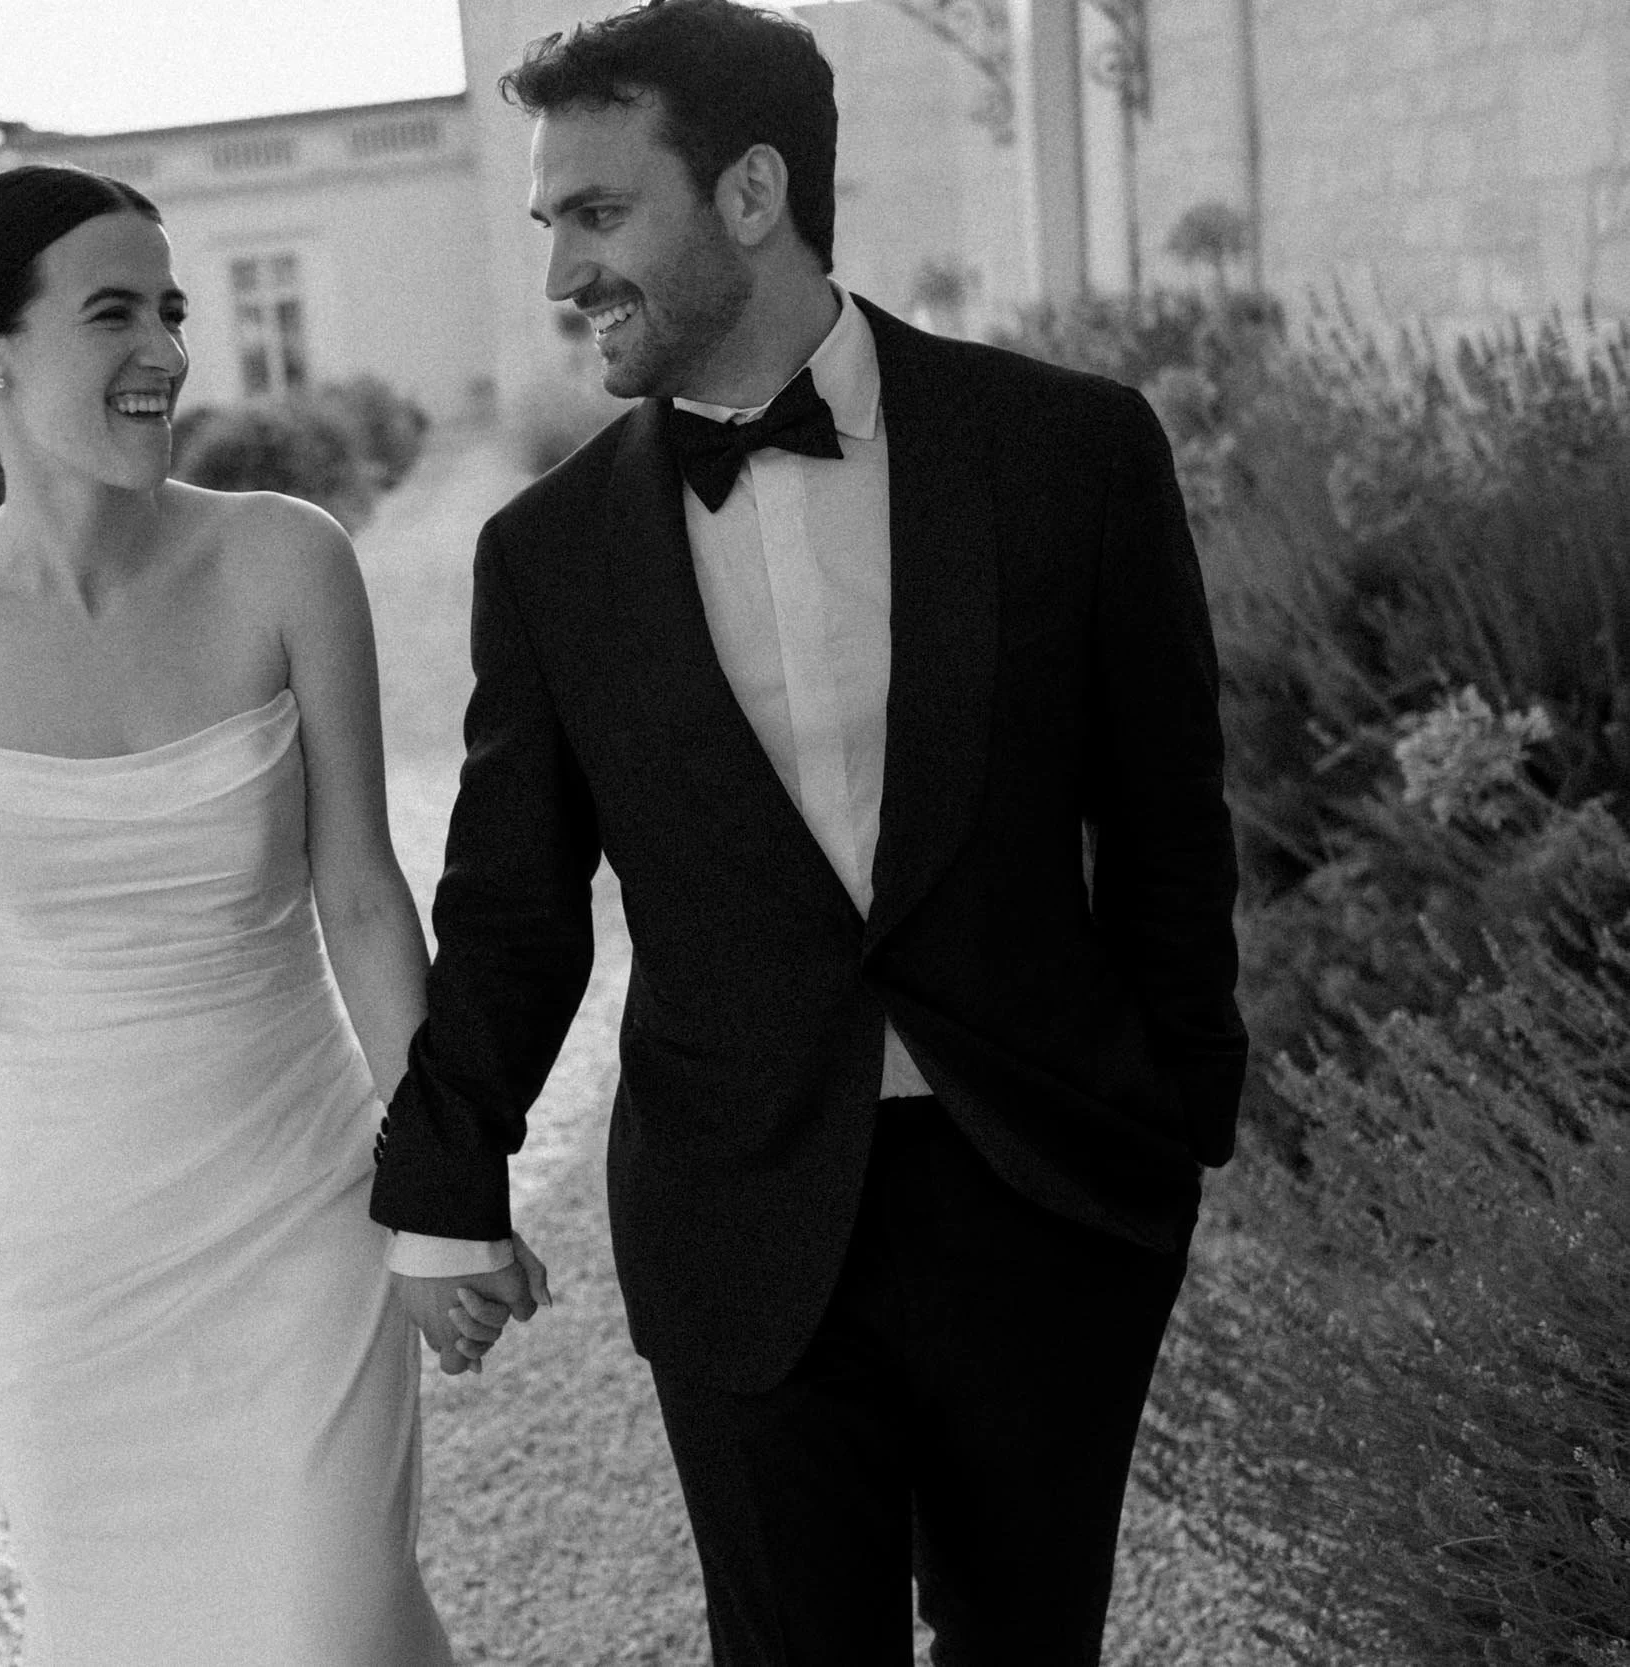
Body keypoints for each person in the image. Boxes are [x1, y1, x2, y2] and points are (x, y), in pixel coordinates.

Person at [368, 3, 1248, 1662]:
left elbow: (1166, 819)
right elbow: (511, 908)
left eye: (600, 212)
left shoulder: (1070, 452)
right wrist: (444, 1181)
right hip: (738, 1218)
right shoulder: (548, 560)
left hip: (1042, 1195)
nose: (562, 273)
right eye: (547, 222)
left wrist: (1177, 1110)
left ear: (754, 191)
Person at [0, 164, 544, 1667]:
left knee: (333, 1630)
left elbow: (360, 894)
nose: (166, 348)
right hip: (69, 1244)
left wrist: (448, 1183)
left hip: (301, 1198)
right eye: (114, 313)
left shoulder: (285, 558)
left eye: (170, 309)